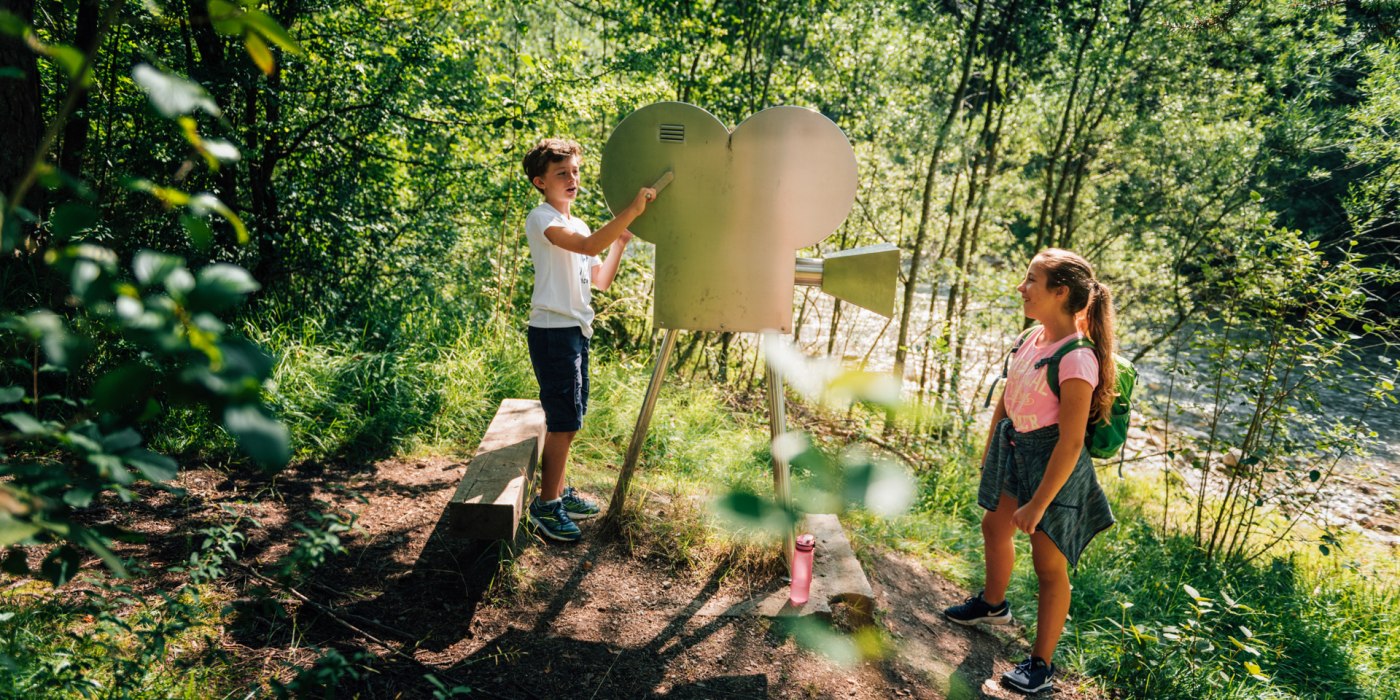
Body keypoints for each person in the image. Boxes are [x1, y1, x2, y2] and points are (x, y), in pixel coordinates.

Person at [943, 248, 1118, 694]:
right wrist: (990, 450)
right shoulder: (1030, 338)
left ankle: (1040, 665)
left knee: (1048, 566)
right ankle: (993, 605)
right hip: (1015, 450)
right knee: (993, 525)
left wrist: (1039, 503)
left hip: (1053, 467)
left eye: (1031, 281)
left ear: (1060, 292)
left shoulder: (1078, 358)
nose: (1021, 288)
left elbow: (1072, 440)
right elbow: (1007, 397)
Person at [520, 138, 656, 542]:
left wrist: (621, 243)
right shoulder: (542, 218)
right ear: (540, 181)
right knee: (563, 422)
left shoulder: (578, 223)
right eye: (562, 173)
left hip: (576, 331)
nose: (572, 178)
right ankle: (546, 506)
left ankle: (557, 491)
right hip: (551, 331)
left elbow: (601, 279)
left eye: (575, 171)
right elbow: (585, 246)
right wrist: (631, 210)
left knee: (571, 420)